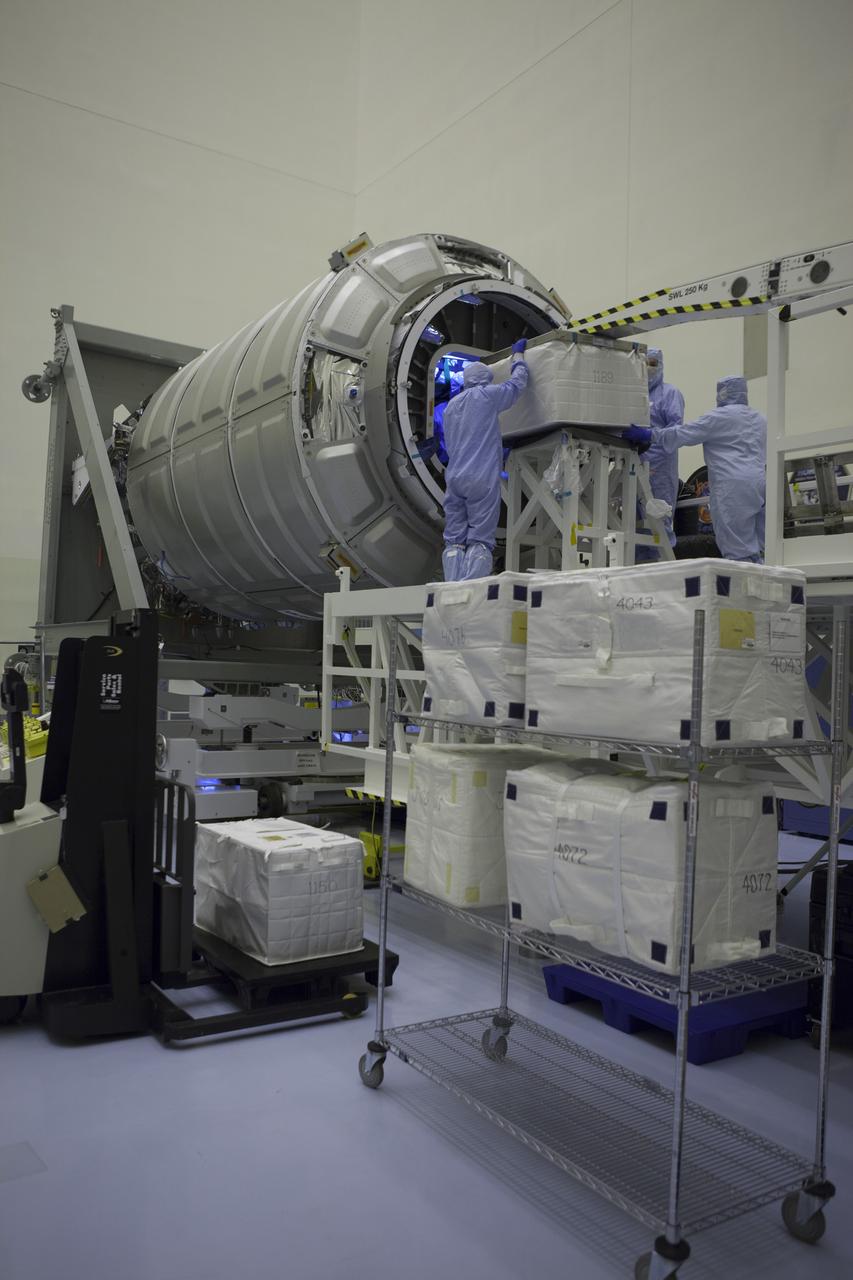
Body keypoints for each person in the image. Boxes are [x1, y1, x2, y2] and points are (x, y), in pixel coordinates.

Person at [623, 375, 766, 562]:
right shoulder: (761, 419)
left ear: (722, 393)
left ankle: (742, 590)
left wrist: (650, 434)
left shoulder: (719, 417)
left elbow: (684, 433)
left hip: (732, 487)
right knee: (758, 548)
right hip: (761, 483)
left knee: (737, 550)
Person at [442, 339, 530, 580]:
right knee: (480, 539)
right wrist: (518, 358)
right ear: (486, 379)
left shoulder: (451, 406)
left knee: (454, 540)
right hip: (481, 477)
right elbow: (517, 386)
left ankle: (451, 589)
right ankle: (471, 593)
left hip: (455, 477)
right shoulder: (487, 395)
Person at [637, 347, 685, 559]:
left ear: (661, 365)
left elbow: (676, 432)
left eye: (653, 363)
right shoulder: (633, 393)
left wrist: (649, 435)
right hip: (634, 466)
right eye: (645, 363)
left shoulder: (670, 393)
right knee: (635, 525)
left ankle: (662, 570)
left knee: (660, 523)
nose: (649, 368)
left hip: (661, 468)